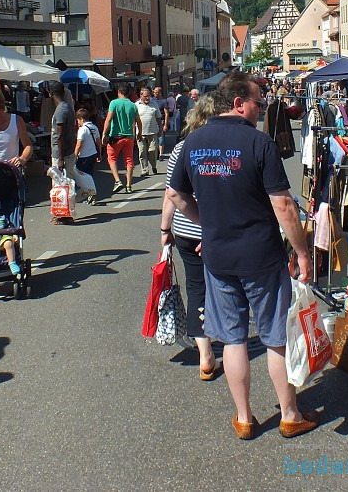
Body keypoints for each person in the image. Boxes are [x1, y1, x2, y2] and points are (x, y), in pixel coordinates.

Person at [166, 72, 318, 440]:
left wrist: (208, 224)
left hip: (218, 256)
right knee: (274, 337)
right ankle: (289, 414)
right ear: (239, 103)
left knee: (233, 339)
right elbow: (282, 204)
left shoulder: (193, 142)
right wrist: (301, 252)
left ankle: (245, 418)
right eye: (258, 103)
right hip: (261, 255)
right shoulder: (258, 143)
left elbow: (175, 195)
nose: (261, 109)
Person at [159, 95, 218, 381]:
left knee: (196, 287)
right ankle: (230, 341)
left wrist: (164, 229)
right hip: (219, 230)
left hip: (185, 229)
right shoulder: (224, 149)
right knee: (223, 286)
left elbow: (172, 193)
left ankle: (206, 355)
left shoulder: (181, 148)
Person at [102, 84, 141, 194]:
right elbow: (138, 121)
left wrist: (104, 134)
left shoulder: (114, 103)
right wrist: (140, 133)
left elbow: (109, 119)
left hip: (116, 136)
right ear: (128, 93)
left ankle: (118, 180)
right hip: (129, 137)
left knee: (112, 158)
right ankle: (129, 185)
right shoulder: (133, 105)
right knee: (129, 160)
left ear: (119, 92)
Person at [49, 81, 77, 181]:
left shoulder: (60, 111)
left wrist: (60, 159)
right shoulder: (68, 108)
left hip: (61, 154)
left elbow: (60, 136)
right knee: (68, 185)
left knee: (60, 187)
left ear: (51, 93)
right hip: (69, 152)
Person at [74, 109, 101, 205]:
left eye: (78, 120)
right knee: (89, 175)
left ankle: (87, 194)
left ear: (81, 119)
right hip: (93, 154)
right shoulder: (94, 127)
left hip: (84, 156)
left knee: (79, 176)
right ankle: (91, 196)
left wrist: (74, 156)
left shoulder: (82, 129)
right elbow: (98, 141)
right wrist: (100, 153)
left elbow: (79, 145)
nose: (77, 123)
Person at [135, 88, 163, 177]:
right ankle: (144, 170)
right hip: (140, 133)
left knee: (153, 151)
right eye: (145, 96)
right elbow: (133, 120)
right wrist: (133, 132)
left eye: (149, 96)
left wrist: (161, 128)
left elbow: (158, 117)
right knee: (142, 152)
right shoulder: (136, 105)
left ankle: (153, 166)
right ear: (141, 96)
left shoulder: (154, 104)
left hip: (152, 131)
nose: (148, 98)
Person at [152, 86, 172, 158]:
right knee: (155, 138)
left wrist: (166, 124)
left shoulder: (164, 101)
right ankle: (156, 152)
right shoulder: (153, 100)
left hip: (162, 120)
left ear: (160, 93)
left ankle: (160, 154)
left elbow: (166, 113)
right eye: (154, 92)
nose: (154, 93)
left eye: (156, 92)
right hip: (154, 121)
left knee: (161, 138)